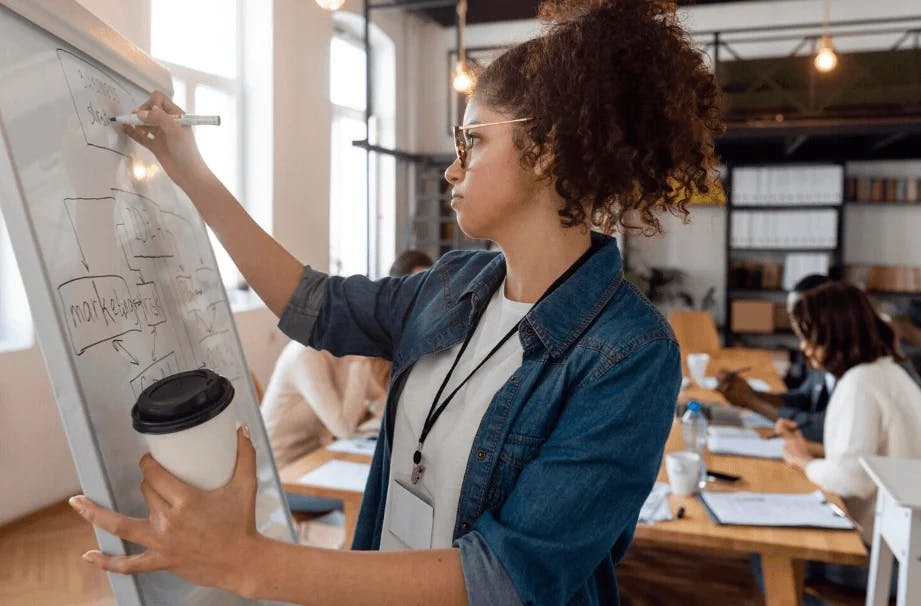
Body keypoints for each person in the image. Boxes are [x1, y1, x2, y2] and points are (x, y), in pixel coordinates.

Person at [68, 2, 723, 603]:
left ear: (545, 150)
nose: (451, 167)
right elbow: (311, 305)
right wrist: (190, 169)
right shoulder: (453, 283)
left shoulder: (629, 354)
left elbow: (506, 574)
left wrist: (247, 562)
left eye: (472, 140)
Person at [762, 282, 921, 602]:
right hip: (908, 550)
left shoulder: (859, 383)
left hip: (893, 561)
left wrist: (806, 463)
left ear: (836, 333)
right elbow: (873, 460)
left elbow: (854, 480)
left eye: (810, 336)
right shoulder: (889, 373)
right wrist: (811, 451)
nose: (804, 348)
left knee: (770, 550)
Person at [716, 274, 832, 442]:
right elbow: (803, 399)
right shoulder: (819, 351)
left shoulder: (846, 363)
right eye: (792, 316)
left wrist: (753, 401)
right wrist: (748, 394)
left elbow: (820, 428)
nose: (795, 325)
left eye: (799, 317)